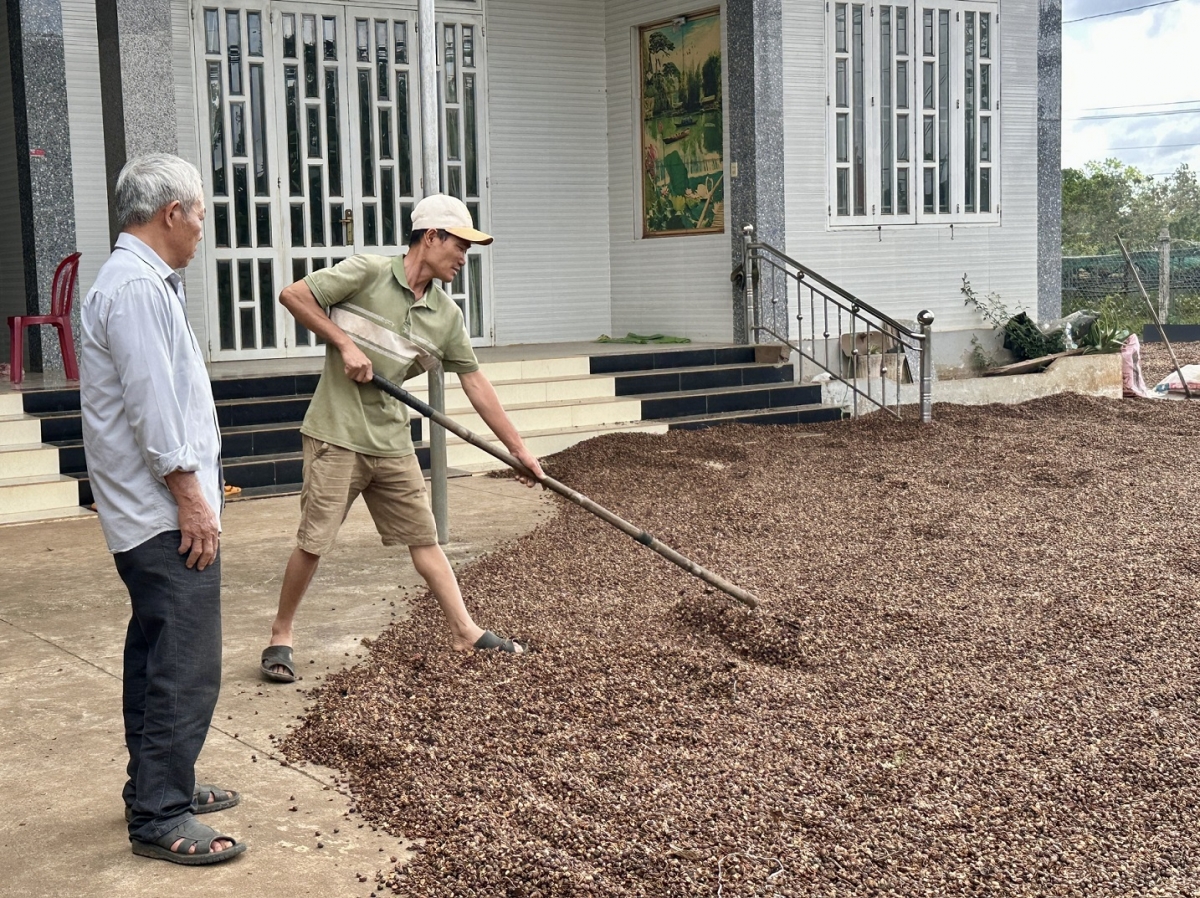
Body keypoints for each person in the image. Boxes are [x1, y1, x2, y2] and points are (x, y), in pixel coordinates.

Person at [261, 194, 544, 682]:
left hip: (391, 440)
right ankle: (280, 637)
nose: (463, 257)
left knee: (424, 538)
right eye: (460, 245)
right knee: (314, 542)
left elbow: (475, 382)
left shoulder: (445, 315)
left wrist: (518, 451)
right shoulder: (368, 272)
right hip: (337, 434)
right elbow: (294, 295)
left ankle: (465, 631)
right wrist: (345, 343)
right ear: (430, 236)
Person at [80, 153, 245, 865]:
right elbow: (153, 411)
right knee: (185, 663)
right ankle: (160, 815)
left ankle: (155, 783)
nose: (204, 227)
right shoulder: (137, 290)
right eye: (202, 212)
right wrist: (192, 501)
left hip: (146, 510)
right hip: (161, 514)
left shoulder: (138, 282)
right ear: (171, 212)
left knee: (154, 652)